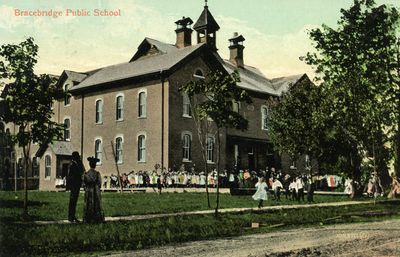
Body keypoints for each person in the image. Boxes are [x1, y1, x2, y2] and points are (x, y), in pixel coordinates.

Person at [83, 157, 104, 223]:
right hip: (95, 190)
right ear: (95, 165)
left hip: (89, 190)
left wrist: (87, 188)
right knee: (96, 203)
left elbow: (84, 184)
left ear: (89, 165)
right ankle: (97, 218)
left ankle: (88, 218)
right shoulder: (97, 174)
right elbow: (99, 183)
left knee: (89, 203)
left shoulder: (86, 174)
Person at [66, 151, 85, 223]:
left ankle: (73, 216)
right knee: (72, 201)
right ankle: (71, 217)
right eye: (78, 157)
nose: (79, 158)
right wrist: (69, 186)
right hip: (73, 185)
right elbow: (70, 176)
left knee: (74, 201)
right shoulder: (72, 164)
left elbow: (81, 171)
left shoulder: (77, 163)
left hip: (77, 185)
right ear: (75, 157)